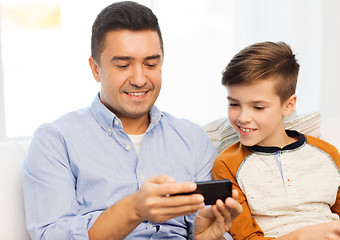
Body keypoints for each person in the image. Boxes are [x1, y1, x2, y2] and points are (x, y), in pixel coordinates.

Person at [22, 1, 242, 239]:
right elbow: (51, 235)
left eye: (151, 64)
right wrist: (134, 209)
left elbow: (211, 227)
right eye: (124, 65)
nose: (139, 79)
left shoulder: (192, 138)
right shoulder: (55, 141)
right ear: (95, 69)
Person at [212, 41, 340, 239]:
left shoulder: (327, 153)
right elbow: (247, 238)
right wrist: (304, 235)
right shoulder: (226, 164)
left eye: (258, 107)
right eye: (234, 104)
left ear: (288, 105)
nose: (243, 117)